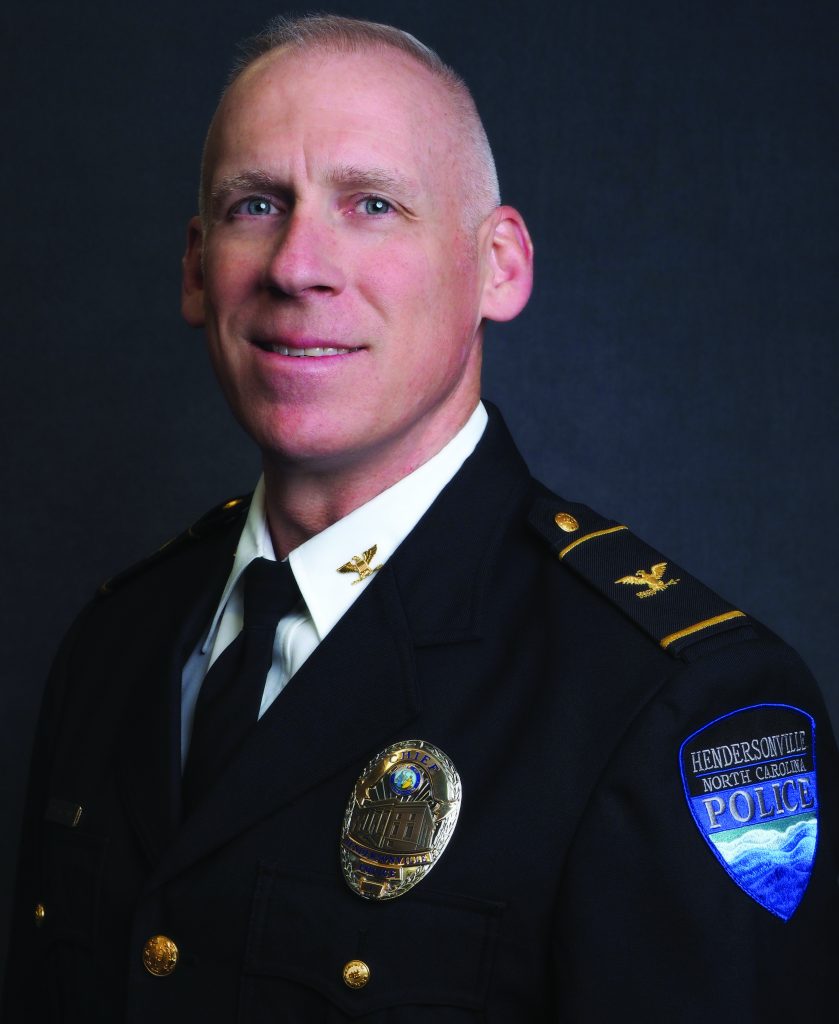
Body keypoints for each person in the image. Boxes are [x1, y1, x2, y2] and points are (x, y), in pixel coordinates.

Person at [3, 13, 838, 1023]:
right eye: (256, 203)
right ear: (194, 268)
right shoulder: (113, 643)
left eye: (371, 204)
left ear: (498, 265)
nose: (297, 264)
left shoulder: (672, 704)